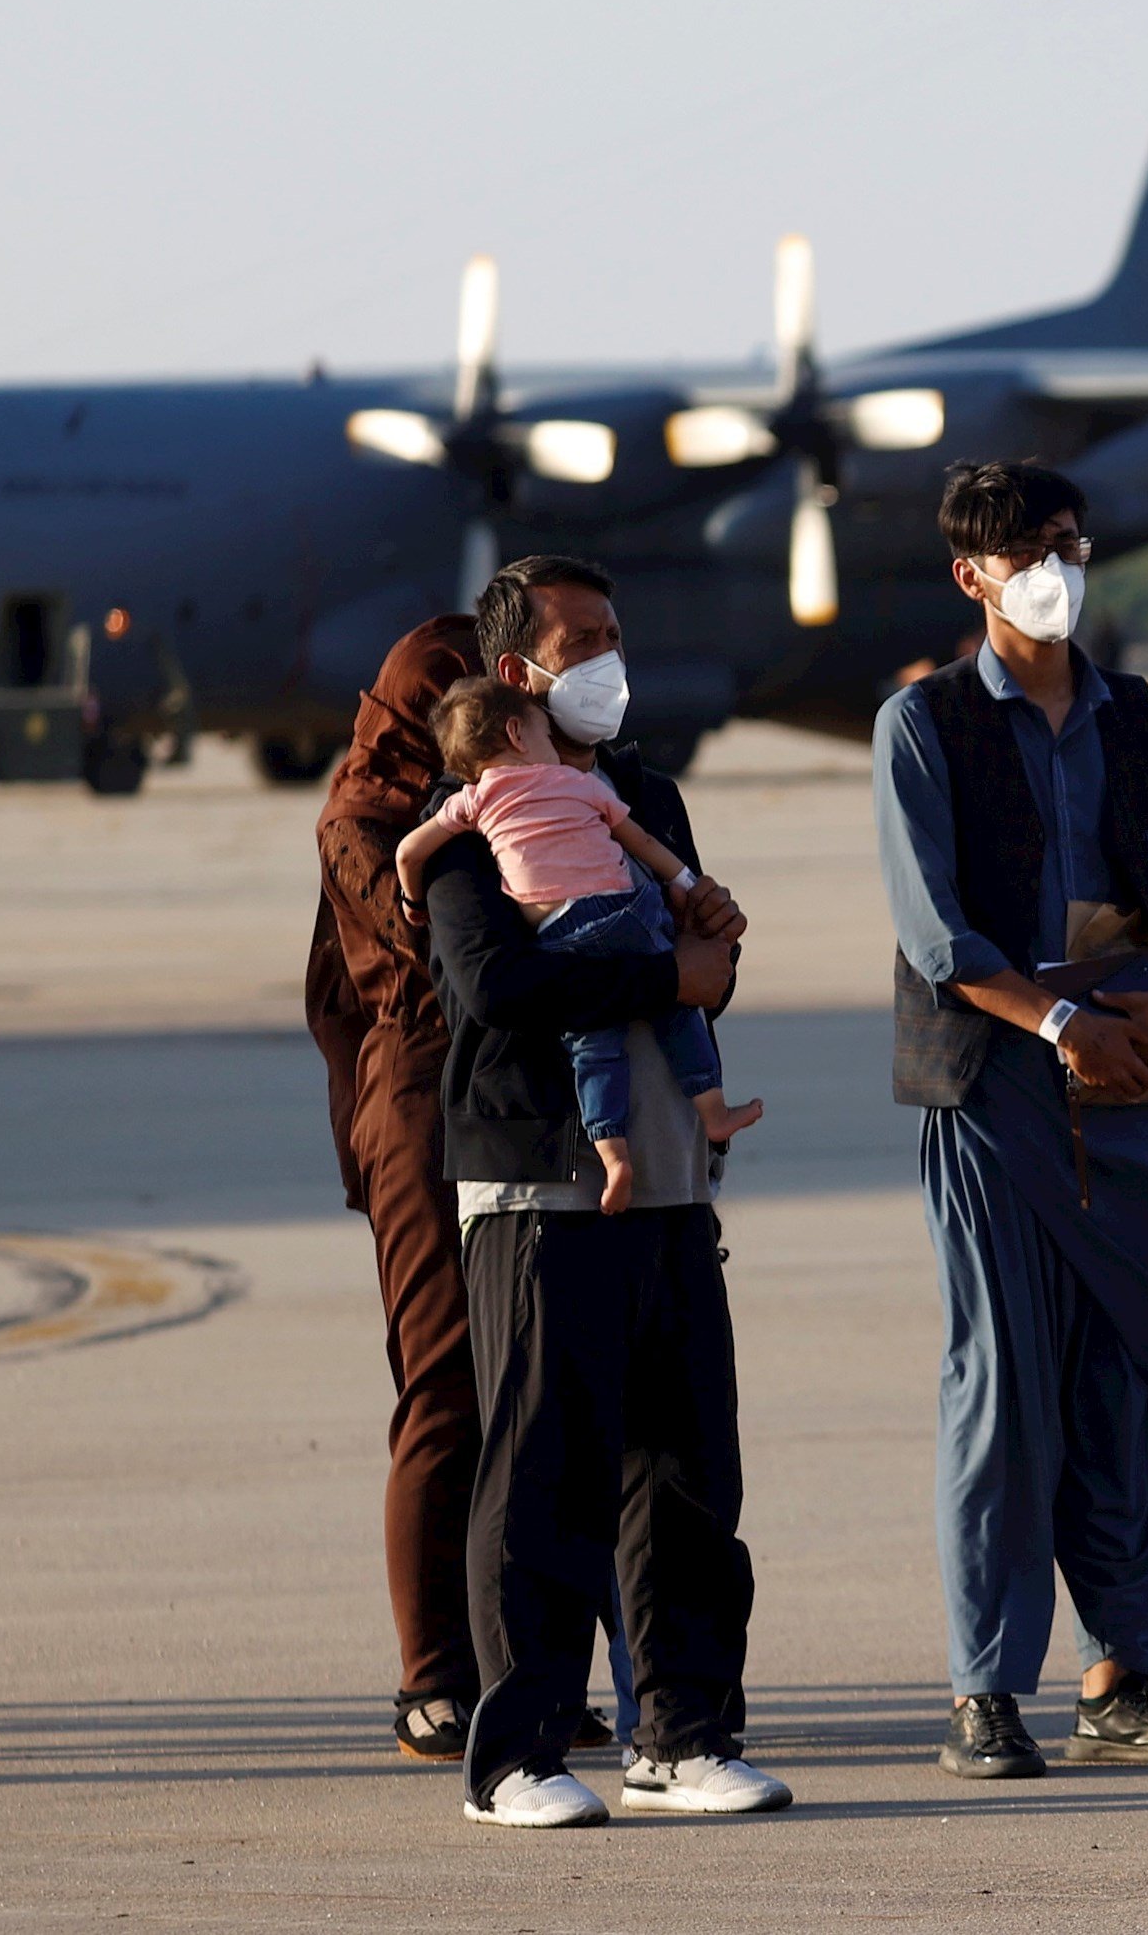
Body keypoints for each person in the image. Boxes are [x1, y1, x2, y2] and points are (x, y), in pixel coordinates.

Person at [874, 460, 1148, 1781]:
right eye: (1025, 551)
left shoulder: (1140, 719)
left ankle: (1124, 1673)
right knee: (1005, 1393)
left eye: (1068, 543)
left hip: (1135, 1086)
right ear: (970, 577)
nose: (1056, 568)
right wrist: (1058, 1025)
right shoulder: (925, 726)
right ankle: (986, 1690)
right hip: (998, 1092)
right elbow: (941, 935)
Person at [416, 555, 787, 1829]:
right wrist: (668, 977)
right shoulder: (471, 805)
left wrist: (712, 950)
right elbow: (499, 990)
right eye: (581, 639)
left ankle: (680, 1734)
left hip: (673, 1179)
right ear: (515, 670)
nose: (606, 657)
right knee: (543, 1473)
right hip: (539, 1182)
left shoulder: (645, 793)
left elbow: (702, 967)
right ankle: (514, 1754)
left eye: (615, 632)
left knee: (689, 1469)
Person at [305, 611, 488, 1760]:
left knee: (533, 1399)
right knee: (446, 1387)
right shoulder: (368, 822)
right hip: (422, 1107)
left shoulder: (527, 791)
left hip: (512, 1096)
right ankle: (431, 1676)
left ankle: (517, 1659)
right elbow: (438, 956)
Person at [396, 677, 761, 1214]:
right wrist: (685, 885)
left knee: (593, 1045)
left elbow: (408, 854)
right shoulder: (579, 783)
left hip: (560, 934)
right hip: (623, 913)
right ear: (519, 731)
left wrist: (412, 904)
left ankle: (614, 1157)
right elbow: (639, 844)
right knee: (675, 1006)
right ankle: (713, 1112)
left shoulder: (471, 802)